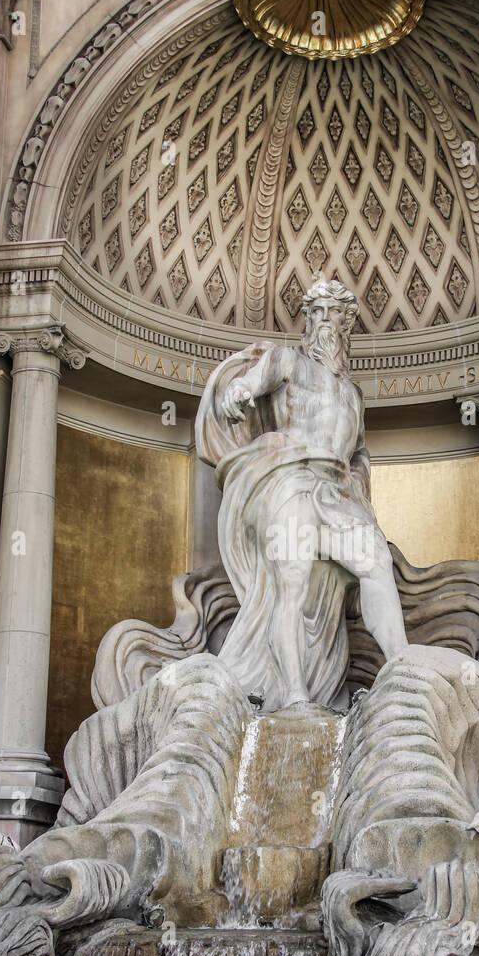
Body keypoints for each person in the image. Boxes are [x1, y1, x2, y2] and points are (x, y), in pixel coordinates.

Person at [196, 276, 408, 710]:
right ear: (307, 320)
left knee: (376, 562)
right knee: (289, 582)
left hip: (337, 491)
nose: (325, 321)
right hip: (289, 479)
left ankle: (401, 668)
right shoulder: (287, 361)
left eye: (334, 313)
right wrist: (237, 391)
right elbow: (251, 384)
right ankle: (294, 694)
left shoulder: (353, 393)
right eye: (317, 312)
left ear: (346, 324)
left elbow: (360, 452)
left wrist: (361, 486)